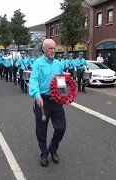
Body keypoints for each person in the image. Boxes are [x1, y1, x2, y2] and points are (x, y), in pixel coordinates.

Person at [29, 39, 67, 167]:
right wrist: (37, 96)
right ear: (43, 49)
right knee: (41, 130)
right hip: (42, 101)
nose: (53, 51)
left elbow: (61, 80)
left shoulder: (58, 64)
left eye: (54, 49)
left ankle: (53, 148)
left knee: (61, 128)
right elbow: (33, 81)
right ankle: (44, 154)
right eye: (50, 48)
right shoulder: (37, 64)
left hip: (56, 101)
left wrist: (64, 95)